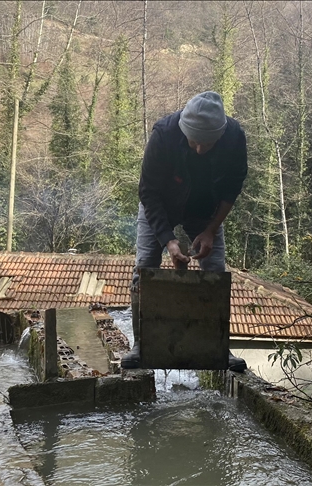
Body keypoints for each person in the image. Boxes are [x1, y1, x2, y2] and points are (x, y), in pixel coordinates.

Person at [122, 91, 248, 372]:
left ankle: (217, 347)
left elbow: (233, 187)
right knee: (144, 267)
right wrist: (168, 241)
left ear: (220, 135)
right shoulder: (163, 135)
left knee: (214, 268)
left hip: (205, 210)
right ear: (183, 130)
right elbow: (148, 193)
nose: (200, 150)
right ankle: (141, 344)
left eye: (208, 144)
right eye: (194, 142)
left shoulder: (234, 137)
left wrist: (211, 230)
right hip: (160, 205)